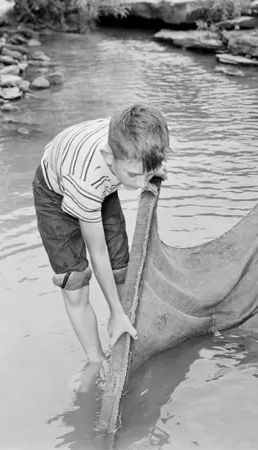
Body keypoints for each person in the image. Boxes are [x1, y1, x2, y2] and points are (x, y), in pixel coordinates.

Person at [32, 103, 170, 364]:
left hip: (103, 183)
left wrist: (151, 170)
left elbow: (142, 166)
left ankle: (125, 329)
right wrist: (114, 311)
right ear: (109, 157)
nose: (140, 185)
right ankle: (96, 361)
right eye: (134, 175)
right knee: (74, 284)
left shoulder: (138, 150)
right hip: (55, 193)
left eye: (147, 174)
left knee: (121, 270)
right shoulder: (88, 181)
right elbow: (98, 253)